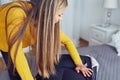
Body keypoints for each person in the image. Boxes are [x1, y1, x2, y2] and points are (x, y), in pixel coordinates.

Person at [0, 0, 93, 80]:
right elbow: (17, 53)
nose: (61, 19)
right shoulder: (16, 15)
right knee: (14, 73)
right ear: (49, 12)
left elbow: (67, 41)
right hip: (4, 40)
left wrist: (79, 63)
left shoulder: (45, 26)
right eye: (59, 15)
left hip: (17, 40)